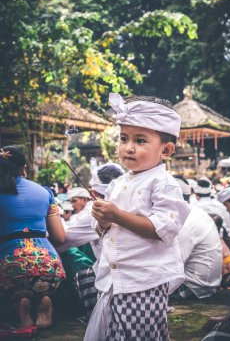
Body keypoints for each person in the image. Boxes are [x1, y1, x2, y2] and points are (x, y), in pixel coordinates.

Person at [84, 93, 190, 341]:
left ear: (166, 149)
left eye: (140, 140)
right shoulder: (117, 183)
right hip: (115, 279)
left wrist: (117, 215)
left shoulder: (164, 183)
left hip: (145, 281)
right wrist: (103, 220)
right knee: (114, 334)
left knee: (138, 335)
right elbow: (101, 230)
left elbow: (161, 228)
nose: (128, 147)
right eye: (123, 139)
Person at [0, 146, 66, 329]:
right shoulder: (45, 193)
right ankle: (45, 299)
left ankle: (20, 303)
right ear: (24, 167)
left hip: (11, 265)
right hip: (49, 265)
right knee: (41, 284)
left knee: (14, 281)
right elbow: (60, 237)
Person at [56, 162, 124, 325]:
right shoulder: (135, 204)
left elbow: (62, 241)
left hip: (116, 283)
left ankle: (92, 314)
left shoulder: (96, 212)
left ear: (92, 192)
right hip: (143, 284)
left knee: (72, 258)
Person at [173, 177, 222, 299]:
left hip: (195, 288)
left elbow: (172, 266)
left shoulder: (184, 222)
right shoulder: (193, 212)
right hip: (206, 283)